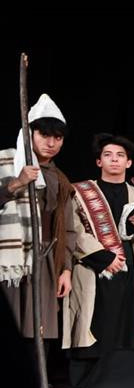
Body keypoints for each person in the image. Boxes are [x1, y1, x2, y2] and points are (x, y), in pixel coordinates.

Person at [64, 134, 134, 388]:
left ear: (128, 163)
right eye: (108, 155)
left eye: (120, 156)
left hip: (128, 270)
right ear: (99, 161)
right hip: (93, 267)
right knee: (90, 325)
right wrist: (104, 257)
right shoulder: (81, 192)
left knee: (126, 326)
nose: (114, 160)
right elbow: (73, 230)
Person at [0, 94, 74, 343]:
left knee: (37, 332)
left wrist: (66, 269)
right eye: (44, 135)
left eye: (58, 137)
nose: (51, 143)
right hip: (10, 261)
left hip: (44, 260)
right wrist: (17, 183)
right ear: (29, 133)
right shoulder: (5, 162)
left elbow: (67, 229)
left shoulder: (60, 179)